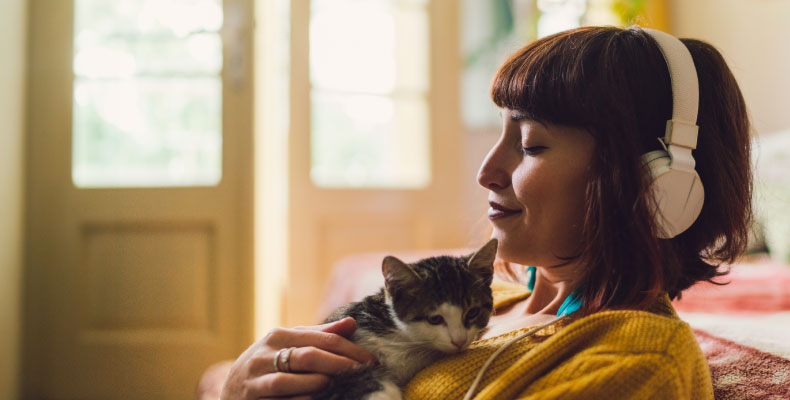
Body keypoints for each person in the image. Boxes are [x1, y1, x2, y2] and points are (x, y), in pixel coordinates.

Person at [222, 25, 750, 400]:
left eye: (532, 144)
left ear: (654, 184)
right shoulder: (493, 298)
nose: (486, 171)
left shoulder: (636, 362)